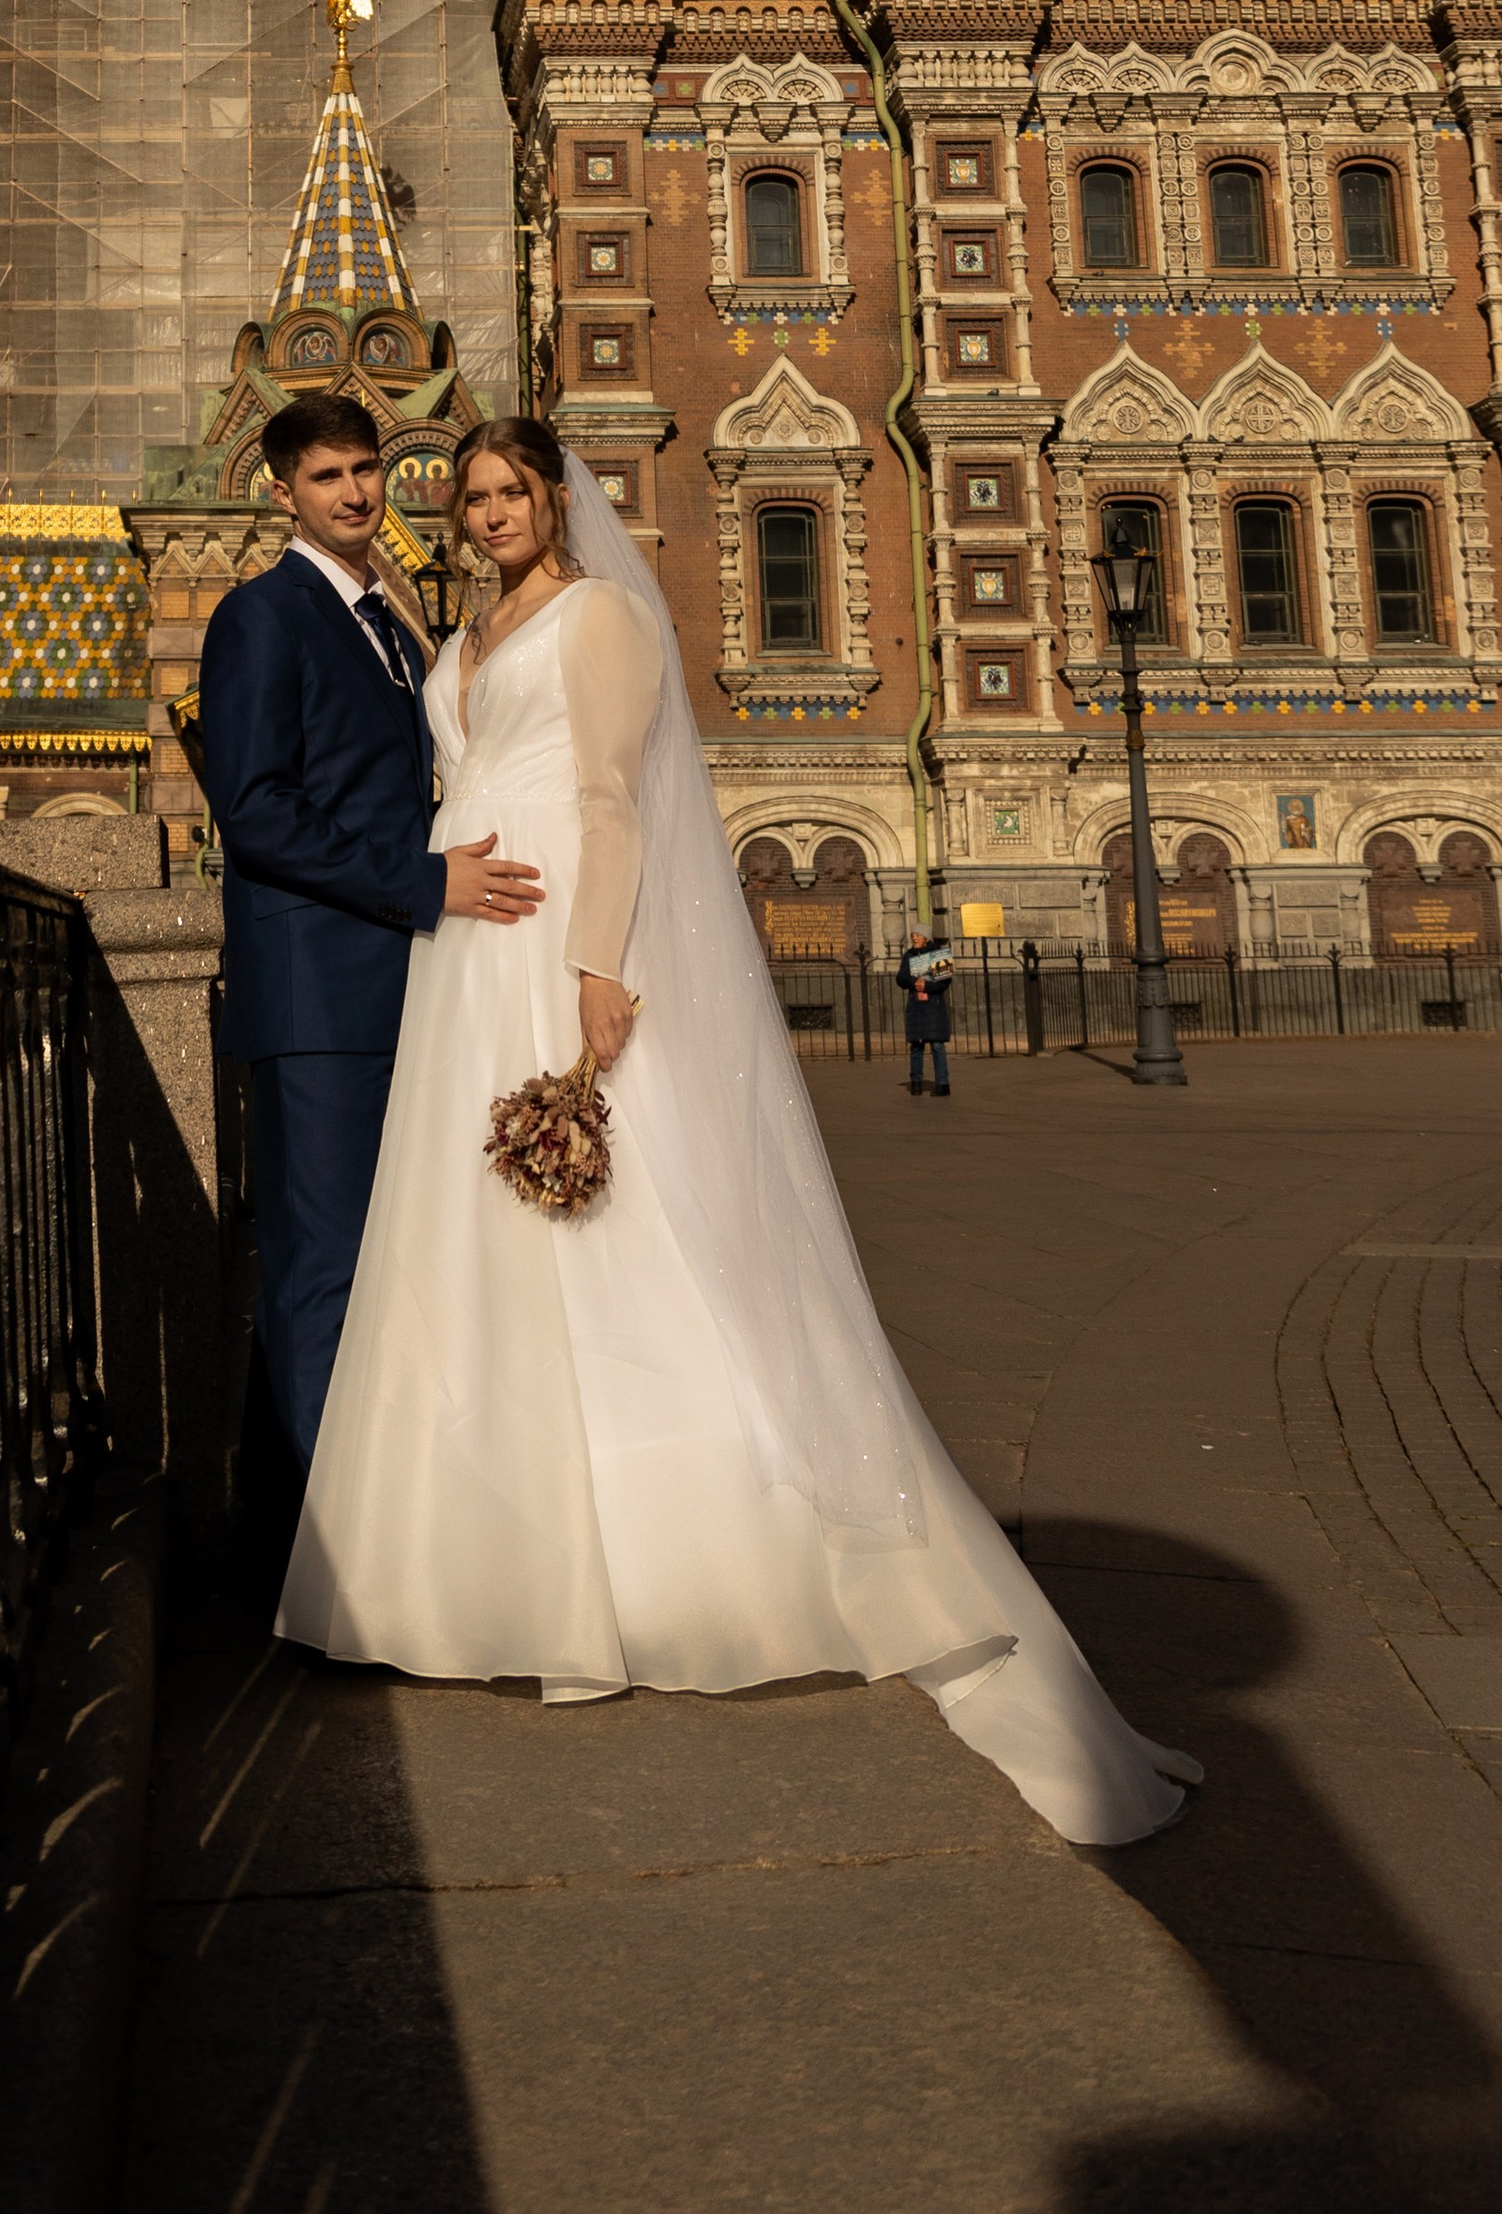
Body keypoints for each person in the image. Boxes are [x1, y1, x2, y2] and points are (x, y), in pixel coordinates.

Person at [279, 418, 1200, 1849]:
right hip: (462, 951)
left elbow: (610, 799)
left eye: (513, 491)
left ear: (554, 500)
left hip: (550, 932)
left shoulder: (597, 616)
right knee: (469, 1245)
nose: (491, 513)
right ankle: (478, 1565)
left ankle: (669, 1557)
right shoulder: (457, 637)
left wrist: (597, 965)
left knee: (612, 1229)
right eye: (471, 496)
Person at [197, 392, 544, 1480]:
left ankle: (322, 1520)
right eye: (327, 476)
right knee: (323, 1268)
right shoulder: (260, 614)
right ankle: (316, 1538)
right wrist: (428, 881)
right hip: (316, 999)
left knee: (385, 1262)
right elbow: (256, 811)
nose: (354, 493)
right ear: (282, 492)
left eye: (365, 469)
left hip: (397, 987)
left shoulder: (388, 623)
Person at [899, 922, 955, 1096]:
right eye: (913, 935)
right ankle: (916, 1082)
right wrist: (914, 982)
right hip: (916, 1006)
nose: (914, 938)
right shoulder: (908, 955)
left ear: (926, 938)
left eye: (917, 935)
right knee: (916, 1046)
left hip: (934, 1006)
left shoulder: (939, 954)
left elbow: (945, 982)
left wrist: (927, 986)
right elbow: (900, 978)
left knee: (937, 1045)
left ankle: (942, 1084)